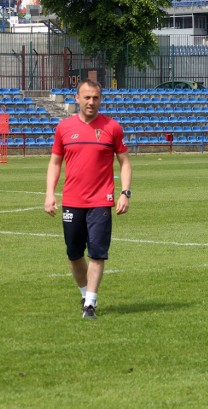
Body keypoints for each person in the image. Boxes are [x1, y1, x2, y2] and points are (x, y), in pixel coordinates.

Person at [44, 79, 132, 319]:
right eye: (87, 97)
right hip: (72, 200)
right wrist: (50, 193)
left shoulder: (112, 127)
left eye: (96, 98)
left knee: (97, 253)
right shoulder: (64, 128)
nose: (91, 102)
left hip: (101, 201)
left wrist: (125, 192)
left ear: (100, 99)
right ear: (77, 98)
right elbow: (55, 163)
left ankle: (90, 304)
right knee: (74, 254)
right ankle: (85, 293)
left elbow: (124, 162)